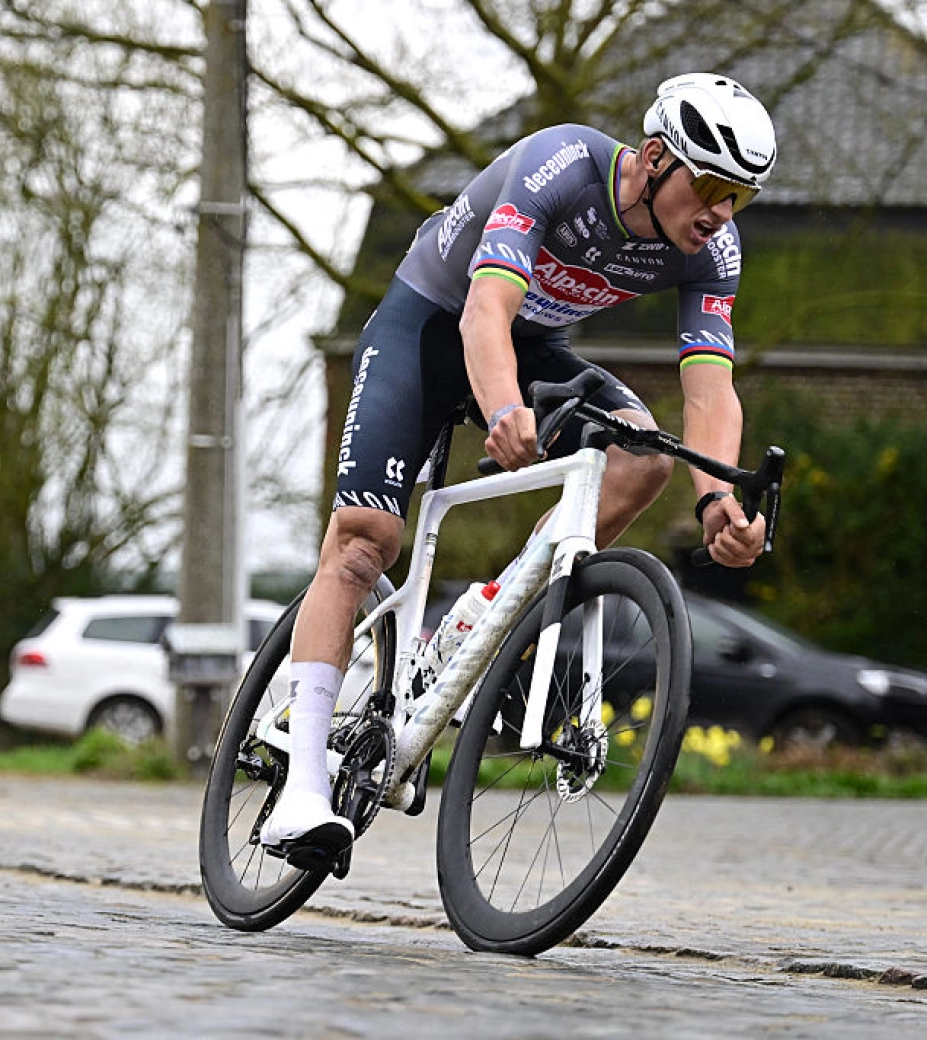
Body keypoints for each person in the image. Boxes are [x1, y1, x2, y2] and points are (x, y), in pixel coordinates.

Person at [260, 73, 778, 864]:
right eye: (709, 183)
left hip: (537, 347)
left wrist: (719, 500)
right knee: (365, 543)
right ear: (652, 159)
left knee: (645, 461)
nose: (719, 210)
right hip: (430, 327)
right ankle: (300, 795)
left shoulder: (712, 253)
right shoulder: (561, 164)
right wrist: (502, 409)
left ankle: (483, 611)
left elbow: (710, 388)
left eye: (738, 196)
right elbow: (484, 309)